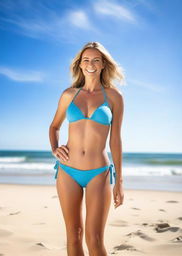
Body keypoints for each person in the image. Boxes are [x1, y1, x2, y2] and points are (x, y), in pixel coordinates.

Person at [49, 42, 125, 256]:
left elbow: (116, 140)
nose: (90, 64)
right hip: (67, 171)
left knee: (95, 239)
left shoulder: (114, 97)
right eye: (86, 60)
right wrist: (55, 148)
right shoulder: (68, 94)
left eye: (96, 60)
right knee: (73, 237)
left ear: (103, 65)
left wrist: (119, 180)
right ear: (80, 65)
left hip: (98, 173)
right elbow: (54, 126)